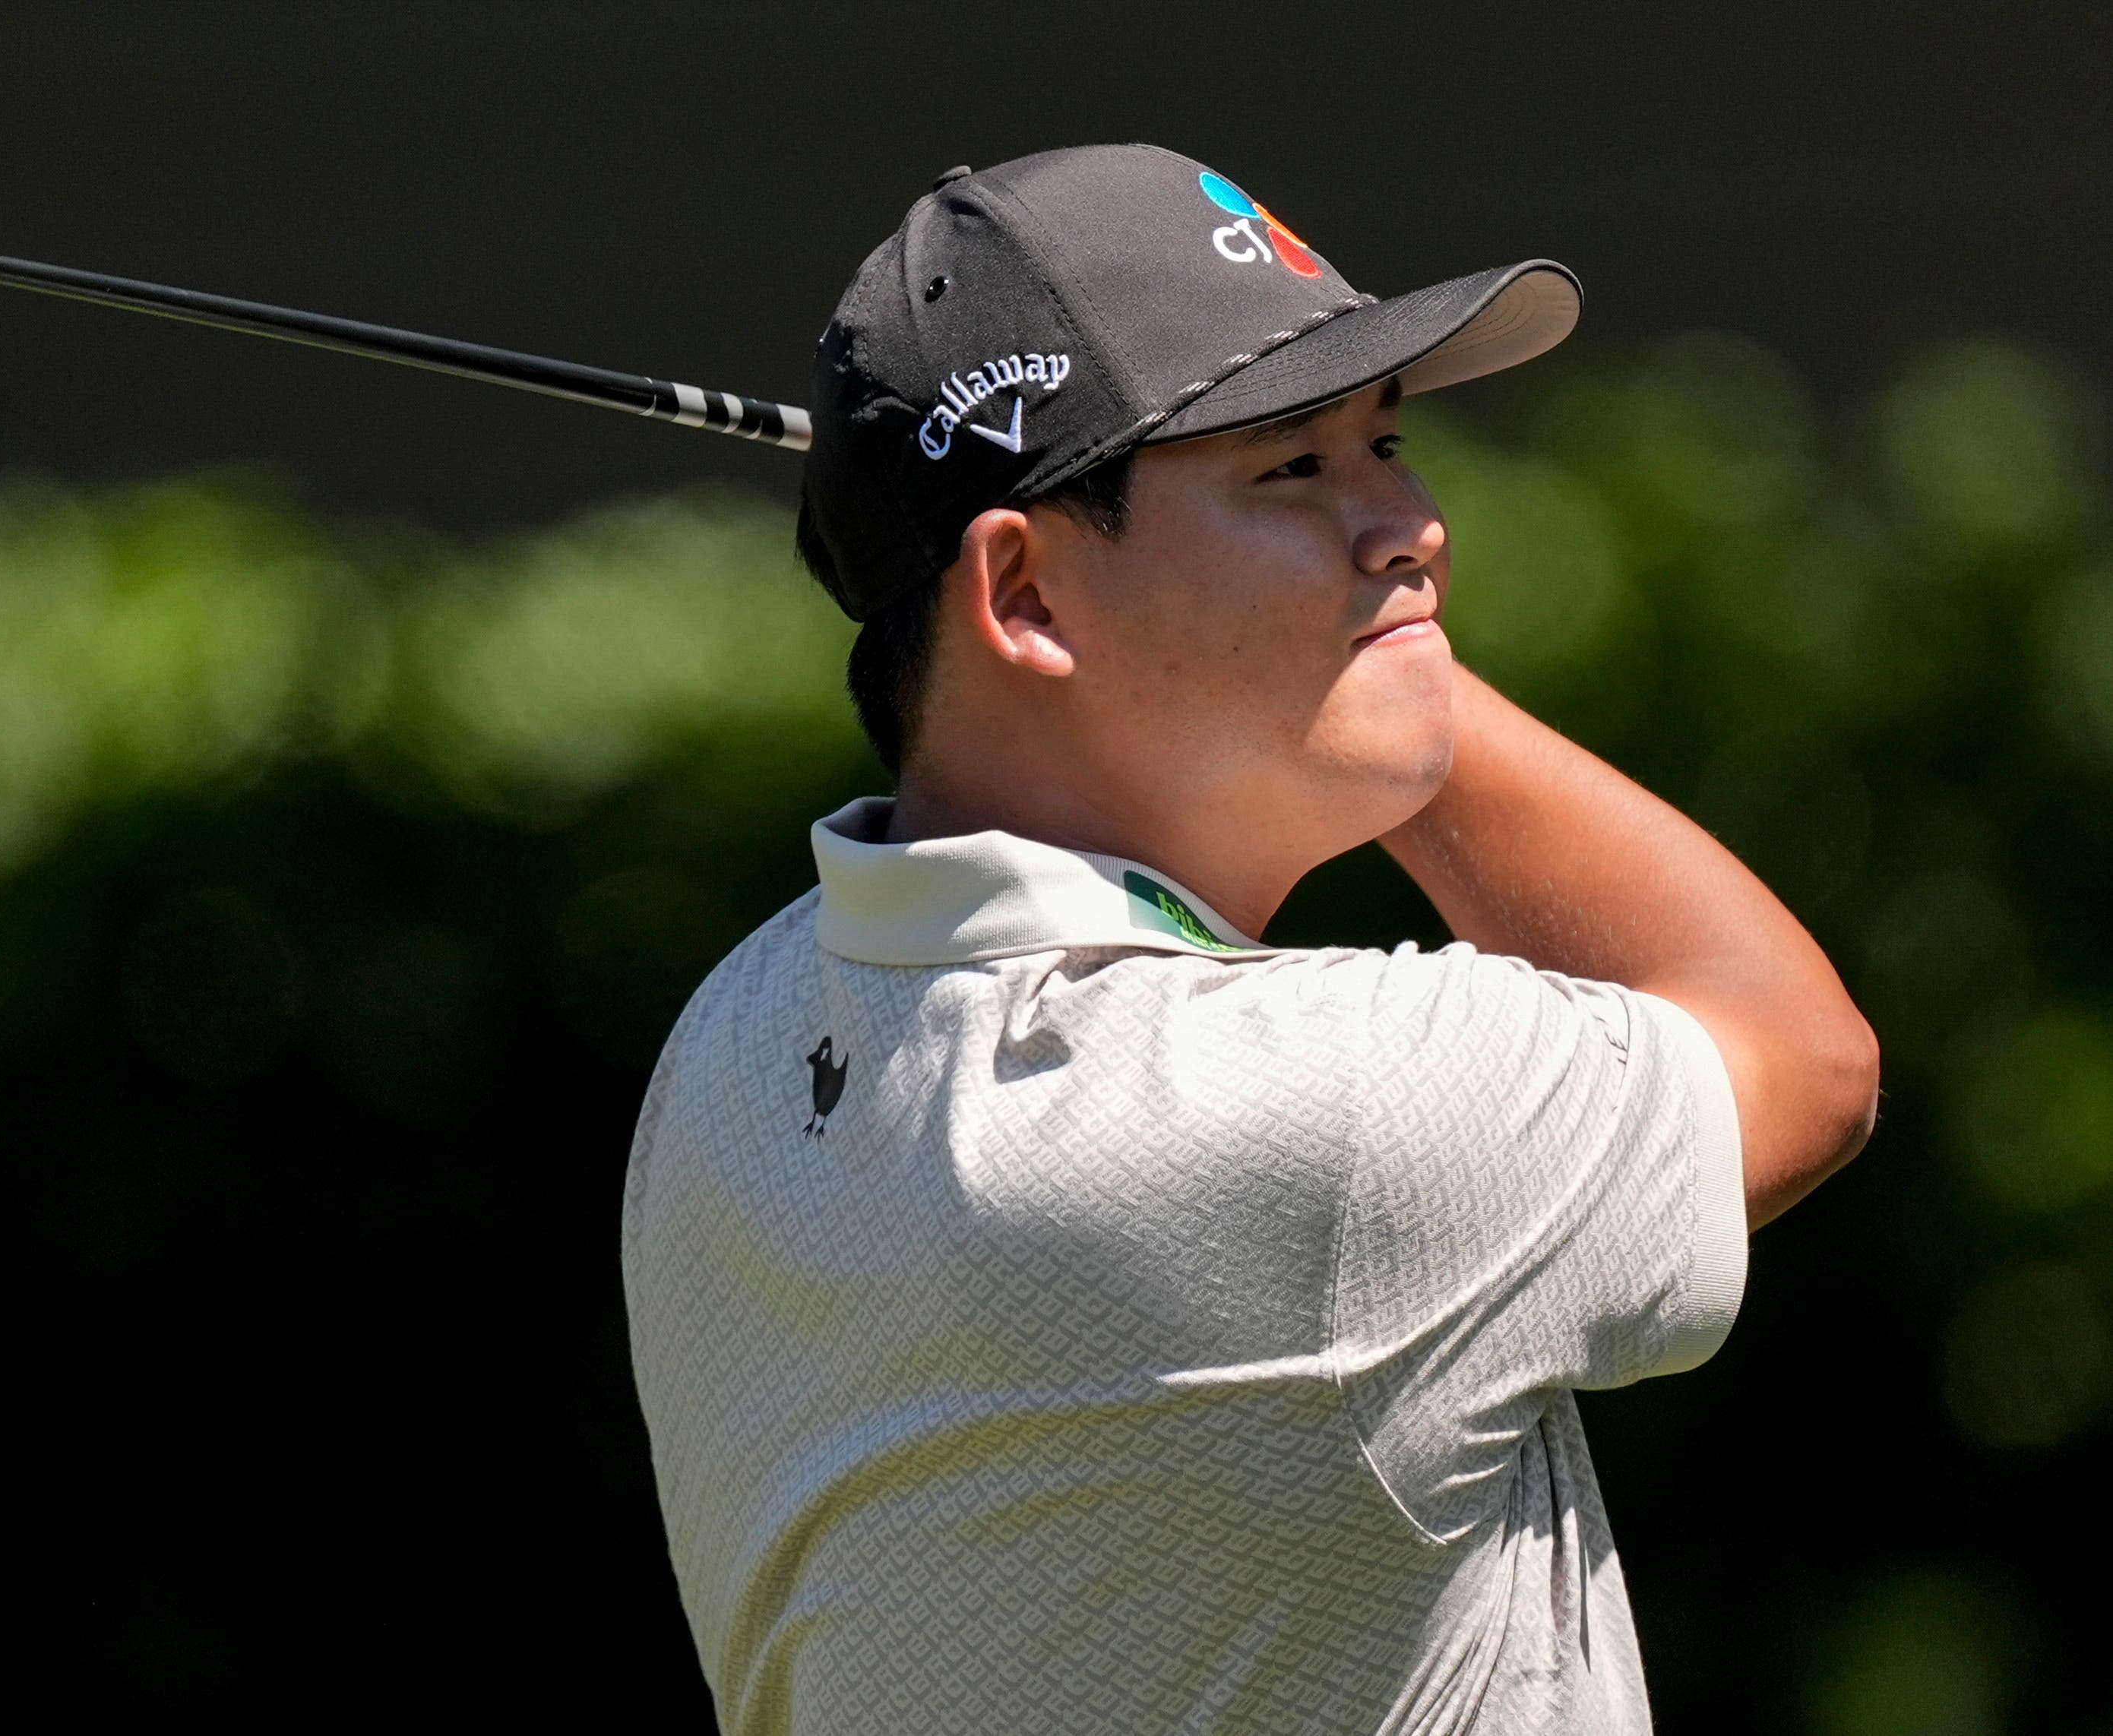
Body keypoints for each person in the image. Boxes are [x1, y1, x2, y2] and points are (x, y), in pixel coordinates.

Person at [622, 144, 1877, 1734]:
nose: (1410, 525)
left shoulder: (731, 1050)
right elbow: (1800, 1054)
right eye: (1291, 470)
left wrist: (1315, 599)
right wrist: (1397, 651)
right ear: (1020, 591)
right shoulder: (1312, 1119)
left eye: (1389, 443)